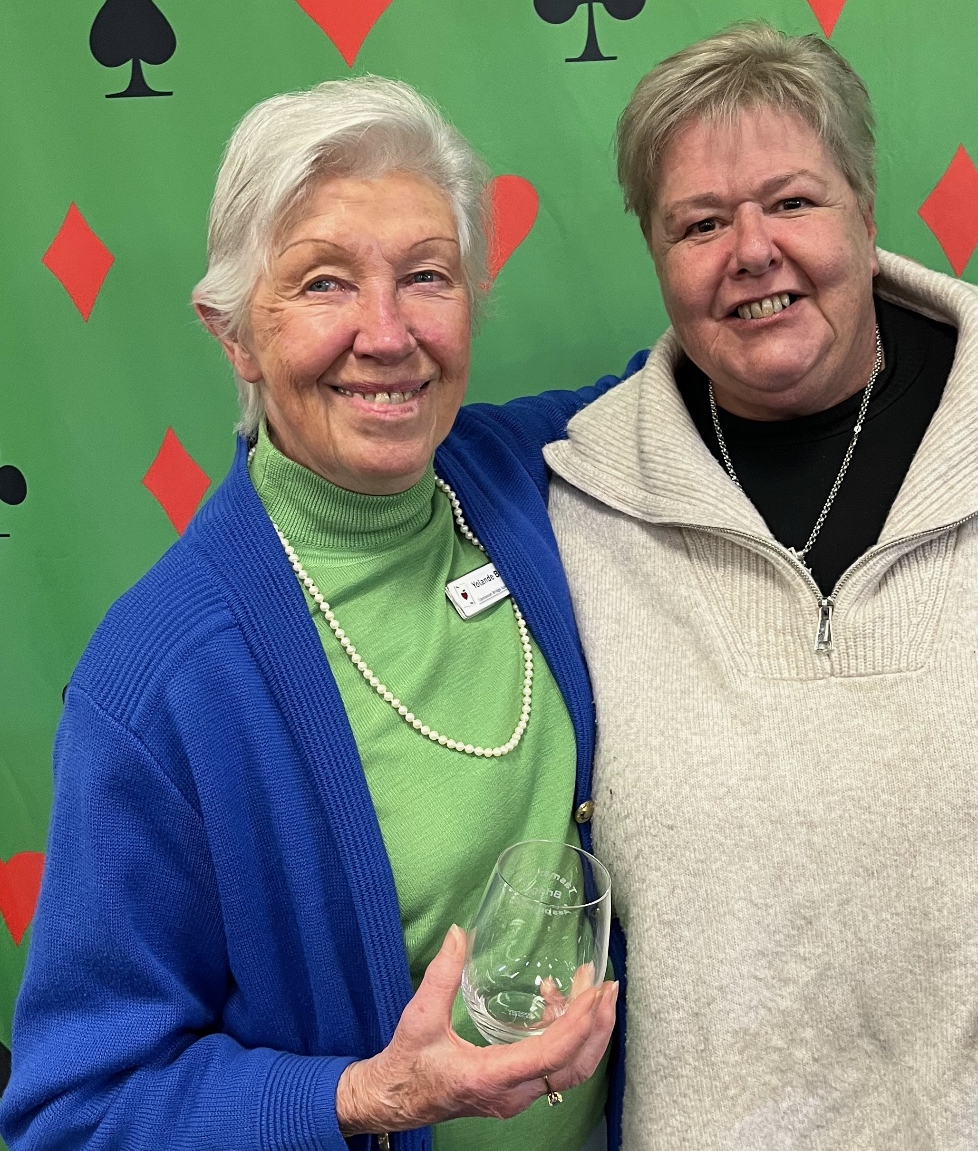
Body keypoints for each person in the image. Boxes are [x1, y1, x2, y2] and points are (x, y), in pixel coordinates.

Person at [543, 23, 978, 1148]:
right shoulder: (583, 501)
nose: (752, 250)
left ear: (864, 208)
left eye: (792, 202)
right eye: (700, 223)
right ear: (655, 254)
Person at [0, 77, 624, 1151]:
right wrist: (371, 1097)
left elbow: (723, 363)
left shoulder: (523, 472)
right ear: (235, 335)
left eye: (425, 276)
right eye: (324, 282)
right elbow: (75, 1111)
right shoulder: (161, 679)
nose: (387, 334)